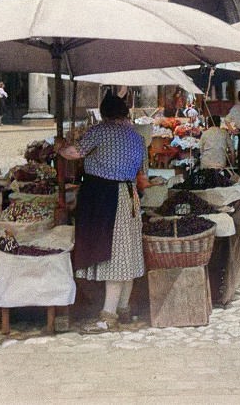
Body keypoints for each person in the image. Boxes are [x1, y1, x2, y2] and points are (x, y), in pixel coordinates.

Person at [57, 91, 146, 333]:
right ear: (125, 113)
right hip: (130, 197)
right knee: (127, 253)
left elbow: (75, 153)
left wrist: (60, 148)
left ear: (105, 114)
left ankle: (108, 315)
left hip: (105, 196)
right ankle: (124, 307)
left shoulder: (100, 131)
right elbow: (142, 175)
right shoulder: (138, 138)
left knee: (115, 255)